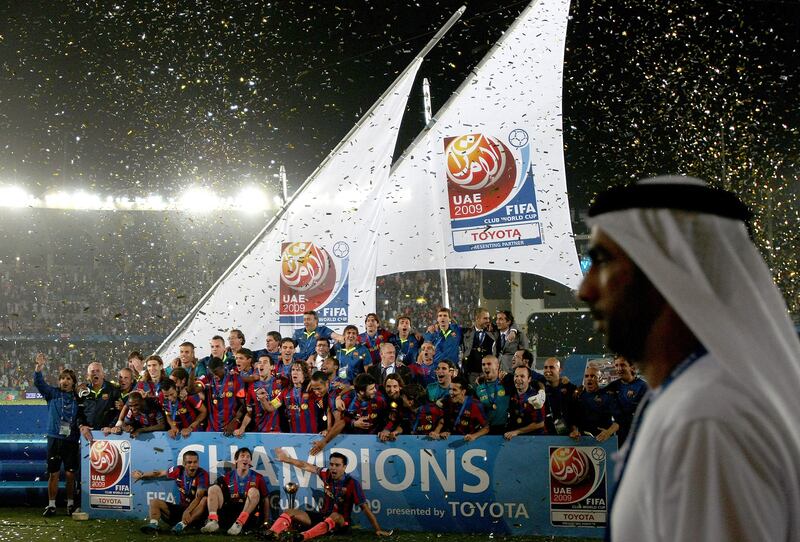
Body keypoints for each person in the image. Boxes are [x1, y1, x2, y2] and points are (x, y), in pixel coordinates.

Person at [577, 176, 800, 541]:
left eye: (602, 260)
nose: (584, 290)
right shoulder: (699, 390)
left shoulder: (706, 416)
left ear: (667, 269)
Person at [263, 448, 391, 540]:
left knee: (335, 515)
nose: (333, 468)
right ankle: (271, 532)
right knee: (290, 511)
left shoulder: (352, 483)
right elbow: (305, 465)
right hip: (322, 517)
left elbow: (365, 508)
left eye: (337, 465)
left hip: (341, 523)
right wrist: (286, 459)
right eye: (331, 464)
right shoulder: (326, 473)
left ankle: (303, 537)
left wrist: (377, 529)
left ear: (344, 467)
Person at [34, 353, 79, 517]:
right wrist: (39, 367)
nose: (64, 381)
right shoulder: (52, 393)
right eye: (62, 379)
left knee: (70, 474)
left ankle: (70, 504)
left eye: (68, 379)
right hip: (54, 438)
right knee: (53, 473)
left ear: (73, 382)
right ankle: (51, 505)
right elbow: (39, 383)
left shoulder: (78, 397)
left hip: (72, 440)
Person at [134, 450, 209, 534]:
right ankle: (153, 525)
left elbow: (198, 497)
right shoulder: (178, 470)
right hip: (182, 508)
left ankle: (182, 525)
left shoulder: (202, 474)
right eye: (189, 462)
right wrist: (142, 475)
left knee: (204, 499)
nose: (193, 465)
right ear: (184, 464)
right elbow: (159, 473)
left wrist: (187, 511)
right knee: (154, 501)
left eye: (195, 462)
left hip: (196, 513)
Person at [201, 447, 269, 535]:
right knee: (213, 488)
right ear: (236, 460)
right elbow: (214, 497)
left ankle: (239, 524)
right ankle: (213, 521)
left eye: (248, 457)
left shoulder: (258, 477)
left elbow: (265, 499)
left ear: (250, 461)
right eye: (242, 456)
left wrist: (266, 521)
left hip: (247, 515)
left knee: (254, 491)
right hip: (229, 512)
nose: (245, 458)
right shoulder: (227, 477)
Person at [430, 375, 489, 442]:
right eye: (450, 389)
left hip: (469, 442)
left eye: (454, 390)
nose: (451, 393)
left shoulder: (475, 405)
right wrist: (437, 432)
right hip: (452, 440)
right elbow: (442, 421)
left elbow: (486, 428)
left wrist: (473, 436)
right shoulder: (448, 400)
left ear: (463, 392)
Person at [604, 355, 647, 445]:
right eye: (616, 365)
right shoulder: (612, 386)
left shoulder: (643, 387)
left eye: (622, 365)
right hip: (620, 436)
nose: (619, 368)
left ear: (632, 367)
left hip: (639, 435)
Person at [568, 365, 618, 441]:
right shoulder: (577, 396)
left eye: (593, 376)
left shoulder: (607, 396)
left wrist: (609, 432)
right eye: (586, 376)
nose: (589, 378)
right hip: (583, 440)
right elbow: (573, 418)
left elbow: (619, 420)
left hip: (605, 440)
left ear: (600, 379)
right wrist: (574, 430)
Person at [77, 361, 121, 442]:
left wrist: (111, 427)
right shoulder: (82, 392)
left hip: (107, 435)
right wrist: (81, 426)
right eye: (92, 371)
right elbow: (78, 412)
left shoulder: (113, 390)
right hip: (87, 434)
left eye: (98, 371)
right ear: (88, 376)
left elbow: (118, 412)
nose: (95, 373)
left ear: (103, 374)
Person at [504, 366, 547, 439]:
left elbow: (540, 423)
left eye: (522, 376)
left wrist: (517, 432)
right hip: (515, 438)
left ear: (529, 379)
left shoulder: (536, 397)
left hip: (534, 439)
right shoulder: (511, 391)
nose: (518, 379)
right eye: (516, 376)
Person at [473, 355, 510, 434]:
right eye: (483, 364)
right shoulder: (479, 387)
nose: (485, 366)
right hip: (485, 430)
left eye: (489, 364)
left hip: (505, 430)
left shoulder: (506, 382)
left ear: (497, 366)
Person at [460, 307, 496, 384]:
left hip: (488, 373)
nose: (488, 321)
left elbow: (511, 324)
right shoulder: (465, 332)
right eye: (485, 318)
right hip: (470, 374)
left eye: (488, 318)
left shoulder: (493, 332)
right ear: (477, 318)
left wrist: (513, 331)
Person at [542, 357, 575, 435]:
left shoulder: (569, 388)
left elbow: (575, 412)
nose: (548, 370)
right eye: (545, 367)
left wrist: (574, 429)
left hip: (567, 435)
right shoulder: (540, 389)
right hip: (545, 435)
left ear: (560, 370)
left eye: (551, 367)